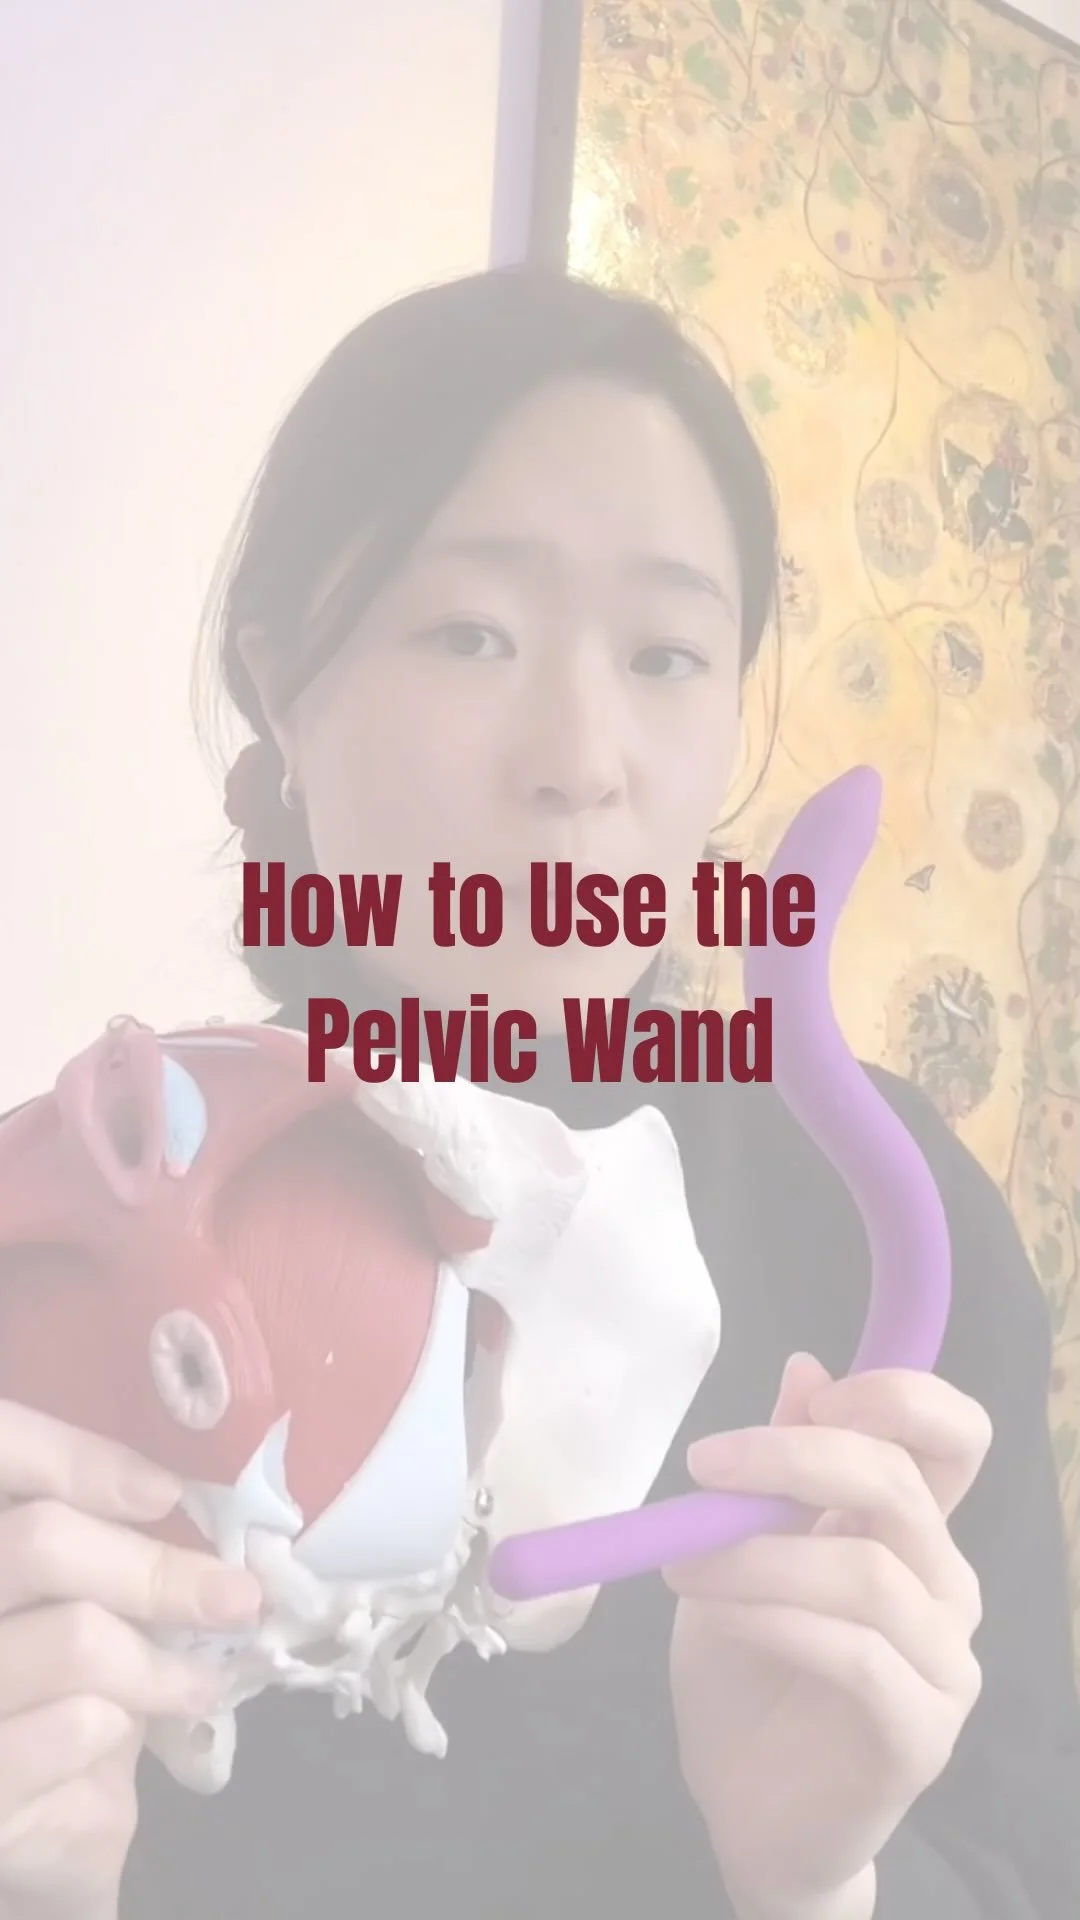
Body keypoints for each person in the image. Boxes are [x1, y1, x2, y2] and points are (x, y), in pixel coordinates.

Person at [0, 267, 1078, 1920]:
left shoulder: (878, 1241)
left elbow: (1023, 1863)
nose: (581, 758)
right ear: (284, 685)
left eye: (667, 654)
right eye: (473, 634)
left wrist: (824, 1885)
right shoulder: (60, 1234)